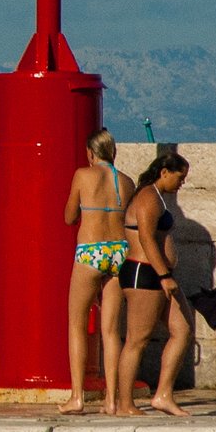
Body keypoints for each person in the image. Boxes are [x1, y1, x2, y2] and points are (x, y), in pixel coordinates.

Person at [115, 150, 194, 417]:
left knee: (182, 330)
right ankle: (125, 404)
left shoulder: (157, 197)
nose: (182, 183)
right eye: (180, 177)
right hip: (145, 273)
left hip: (158, 274)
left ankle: (163, 395)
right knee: (137, 340)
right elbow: (147, 239)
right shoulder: (148, 197)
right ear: (164, 172)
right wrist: (164, 275)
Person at [59, 127, 130, 415]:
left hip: (91, 251)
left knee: (76, 324)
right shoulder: (126, 181)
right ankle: (111, 400)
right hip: (120, 252)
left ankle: (77, 397)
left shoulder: (82, 175)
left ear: (90, 153)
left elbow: (68, 217)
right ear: (114, 152)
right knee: (111, 330)